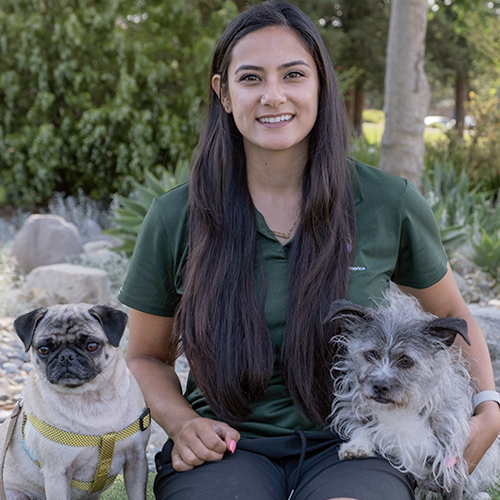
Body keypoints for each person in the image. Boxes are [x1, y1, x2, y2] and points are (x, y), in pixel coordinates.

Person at [118, 2, 500, 499]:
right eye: (251, 78)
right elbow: (146, 355)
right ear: (224, 94)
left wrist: (488, 405)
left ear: (321, 83)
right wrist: (183, 422)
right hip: (228, 448)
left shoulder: (389, 201)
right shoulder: (176, 216)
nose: (273, 96)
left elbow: (449, 314)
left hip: (358, 440)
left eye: (293, 75)